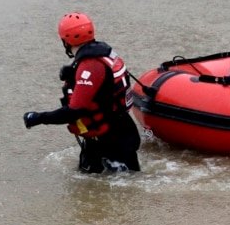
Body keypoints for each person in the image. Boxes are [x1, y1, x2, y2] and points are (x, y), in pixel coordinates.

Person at [23, 12, 141, 173]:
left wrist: (38, 118)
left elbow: (74, 111)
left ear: (66, 41)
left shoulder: (90, 65)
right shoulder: (102, 55)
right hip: (118, 131)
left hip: (109, 140)